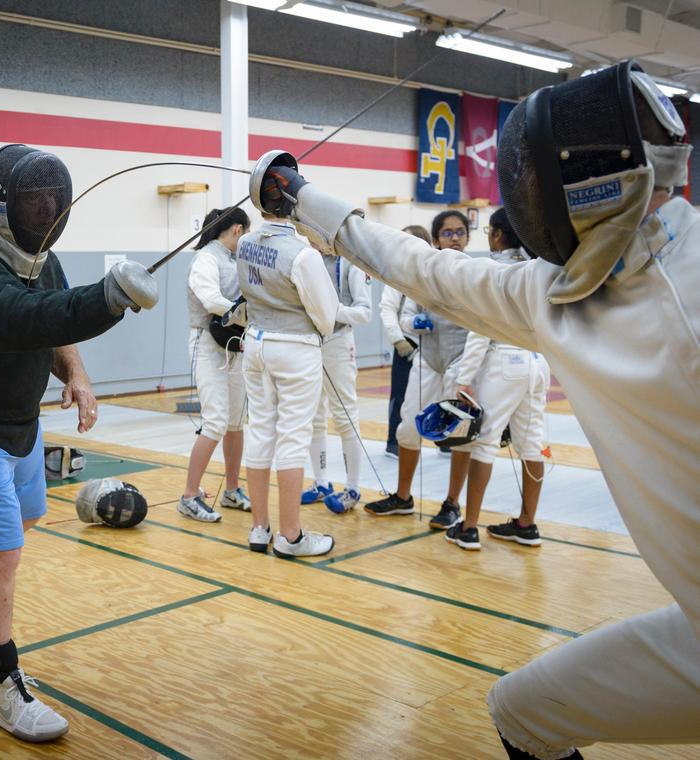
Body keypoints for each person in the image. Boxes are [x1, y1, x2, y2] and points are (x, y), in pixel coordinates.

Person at [252, 59, 699, 759]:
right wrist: (301, 192)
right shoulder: (558, 293)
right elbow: (419, 267)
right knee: (526, 711)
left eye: (530, 181)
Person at [0, 144, 157, 743]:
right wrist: (107, 300)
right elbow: (18, 315)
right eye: (33, 199)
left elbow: (53, 317)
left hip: (19, 419)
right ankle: (0, 686)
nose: (45, 209)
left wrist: (78, 375)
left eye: (52, 199)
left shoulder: (42, 257)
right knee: (2, 551)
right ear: (0, 202)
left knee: (29, 517)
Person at [236, 202, 339, 558]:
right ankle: (290, 536)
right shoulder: (303, 255)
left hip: (255, 343)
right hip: (295, 348)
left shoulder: (245, 242)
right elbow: (327, 315)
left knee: (261, 430)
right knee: (293, 437)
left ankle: (259, 529)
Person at [444, 209, 551, 550]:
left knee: (485, 442)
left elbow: (481, 329)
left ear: (498, 235)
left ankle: (469, 527)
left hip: (504, 362)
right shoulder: (541, 268)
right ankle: (526, 524)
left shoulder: (493, 270)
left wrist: (464, 379)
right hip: (537, 362)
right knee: (534, 443)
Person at [363, 210, 474, 530]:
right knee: (408, 428)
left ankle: (452, 504)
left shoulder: (477, 272)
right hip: (427, 359)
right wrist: (416, 323)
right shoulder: (425, 275)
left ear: (467, 236)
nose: (454, 238)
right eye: (447, 233)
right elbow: (405, 317)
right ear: (436, 239)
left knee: (460, 435)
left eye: (460, 232)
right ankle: (402, 496)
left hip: (461, 361)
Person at [178, 207, 251, 522]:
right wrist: (245, 313)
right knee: (216, 421)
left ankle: (232, 490)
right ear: (237, 230)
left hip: (235, 345)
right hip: (206, 344)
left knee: (236, 420)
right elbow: (211, 300)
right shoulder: (206, 258)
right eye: (245, 233)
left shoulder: (234, 260)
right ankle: (189, 496)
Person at [301, 239, 372, 513]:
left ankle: (352, 488)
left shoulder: (350, 263)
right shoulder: (305, 258)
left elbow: (364, 312)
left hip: (339, 342)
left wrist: (331, 310)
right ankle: (321, 483)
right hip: (308, 341)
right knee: (313, 416)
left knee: (345, 416)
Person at [379, 225, 430, 458]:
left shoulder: (433, 269)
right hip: (406, 345)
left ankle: (443, 439)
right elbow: (387, 308)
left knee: (437, 394)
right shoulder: (396, 273)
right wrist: (398, 340)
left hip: (433, 346)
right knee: (400, 395)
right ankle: (393, 441)